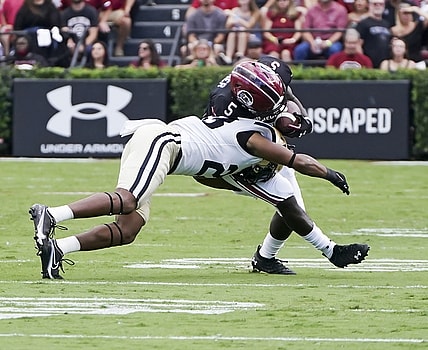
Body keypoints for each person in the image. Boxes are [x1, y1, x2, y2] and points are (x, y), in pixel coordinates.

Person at [29, 62, 369, 280]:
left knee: (129, 227)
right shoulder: (254, 139)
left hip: (170, 150)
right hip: (164, 142)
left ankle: (60, 249)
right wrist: (329, 173)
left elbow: (215, 174)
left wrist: (294, 115)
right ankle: (52, 214)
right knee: (128, 201)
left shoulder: (256, 106)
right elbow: (298, 161)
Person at [200, 59, 368, 275]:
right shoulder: (224, 108)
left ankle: (265, 258)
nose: (275, 107)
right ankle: (331, 251)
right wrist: (329, 174)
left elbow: (287, 94)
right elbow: (230, 147)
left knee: (293, 209)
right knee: (288, 203)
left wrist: (301, 118)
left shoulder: (268, 71)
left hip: (269, 146)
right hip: (236, 160)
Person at [13, 0, 69, 67]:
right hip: (30, 39)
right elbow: (18, 26)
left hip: (48, 38)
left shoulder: (50, 6)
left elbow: (56, 23)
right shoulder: (25, 7)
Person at [220, 0, 262, 64]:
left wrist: (236, 18)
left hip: (252, 35)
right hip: (236, 34)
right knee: (233, 30)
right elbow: (228, 25)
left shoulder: (255, 12)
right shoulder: (235, 10)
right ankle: (228, 57)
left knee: (242, 30)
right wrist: (233, 19)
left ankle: (240, 54)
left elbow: (249, 26)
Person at [61, 0, 99, 66]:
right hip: (72, 43)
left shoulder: (91, 11)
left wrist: (82, 45)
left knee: (92, 49)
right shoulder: (64, 14)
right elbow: (65, 32)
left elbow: (93, 34)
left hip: (87, 43)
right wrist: (70, 42)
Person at [390, 2, 428, 68]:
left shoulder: (417, 26)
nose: (407, 16)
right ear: (398, 14)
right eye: (405, 13)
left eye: (409, 13)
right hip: (400, 63)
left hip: (417, 62)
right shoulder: (393, 30)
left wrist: (415, 9)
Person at [356, 0, 392, 68]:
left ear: (384, 6)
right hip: (369, 63)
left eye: (381, 4)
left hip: (384, 63)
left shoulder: (387, 24)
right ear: (369, 5)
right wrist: (364, 61)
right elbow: (358, 45)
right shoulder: (363, 23)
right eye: (375, 4)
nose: (378, 6)